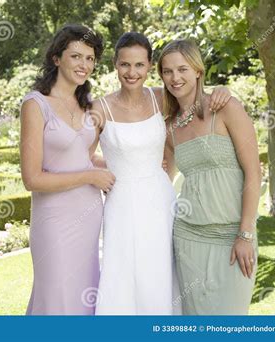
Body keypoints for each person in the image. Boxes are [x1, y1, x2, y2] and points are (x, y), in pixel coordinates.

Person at [92, 32, 231, 315]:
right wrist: (102, 174)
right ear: (115, 65)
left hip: (161, 199)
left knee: (162, 271)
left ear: (149, 65)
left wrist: (223, 90)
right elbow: (79, 156)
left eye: (139, 65)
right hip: (121, 205)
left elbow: (194, 104)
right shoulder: (99, 108)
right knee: (124, 274)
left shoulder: (161, 99)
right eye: (125, 65)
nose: (132, 72)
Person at [20, 24, 115, 315]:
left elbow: (83, 158)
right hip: (54, 220)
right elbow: (32, 178)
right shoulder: (36, 105)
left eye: (89, 58)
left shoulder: (88, 107)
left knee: (84, 296)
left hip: (88, 216)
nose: (84, 64)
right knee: (56, 296)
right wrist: (90, 177)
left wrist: (126, 167)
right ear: (56, 58)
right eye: (76, 56)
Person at [160, 39, 261, 315]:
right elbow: (161, 178)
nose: (175, 77)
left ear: (198, 71)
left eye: (182, 69)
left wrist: (245, 233)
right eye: (167, 71)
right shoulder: (169, 128)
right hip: (188, 238)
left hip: (233, 237)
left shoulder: (226, 108)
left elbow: (254, 172)